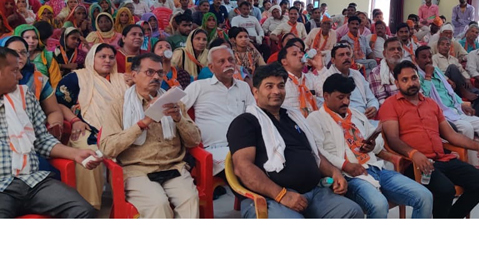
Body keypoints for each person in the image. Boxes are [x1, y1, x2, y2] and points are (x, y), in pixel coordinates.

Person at [226, 63, 364, 219]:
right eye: (269, 86)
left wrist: (334, 172)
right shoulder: (245, 122)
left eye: (280, 86)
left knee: (353, 212)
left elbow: (314, 154)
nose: (276, 91)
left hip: (314, 193)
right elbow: (243, 167)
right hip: (271, 198)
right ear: (255, 92)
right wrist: (281, 195)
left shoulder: (293, 117)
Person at [307, 73, 433, 218]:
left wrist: (372, 145)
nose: (346, 102)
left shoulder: (355, 114)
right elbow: (318, 153)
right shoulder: (315, 119)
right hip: (349, 176)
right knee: (379, 204)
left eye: (348, 97)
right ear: (326, 96)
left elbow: (378, 141)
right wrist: (345, 165)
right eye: (340, 98)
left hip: (375, 168)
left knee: (425, 196)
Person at [379, 61, 479, 218]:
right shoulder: (390, 105)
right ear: (396, 83)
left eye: (414, 78)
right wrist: (413, 154)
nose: (411, 83)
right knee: (446, 190)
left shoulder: (431, 104)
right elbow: (392, 139)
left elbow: (451, 135)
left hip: (442, 158)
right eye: (405, 80)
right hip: (415, 163)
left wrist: (477, 146)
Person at [0, 46, 99, 218]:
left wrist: (76, 154)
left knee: (83, 211)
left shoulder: (25, 97)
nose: (21, 76)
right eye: (14, 71)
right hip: (2, 187)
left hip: (32, 181)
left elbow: (41, 139)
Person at [100, 53, 201, 219]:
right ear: (134, 75)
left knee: (190, 199)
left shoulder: (174, 102)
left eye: (160, 73)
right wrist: (142, 123)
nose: (156, 77)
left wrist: (178, 118)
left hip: (172, 167)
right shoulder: (119, 106)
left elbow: (195, 140)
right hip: (137, 169)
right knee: (158, 204)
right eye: (150, 72)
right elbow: (107, 148)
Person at [414, 46, 479, 186]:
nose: (427, 60)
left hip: (454, 110)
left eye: (429, 57)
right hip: (440, 116)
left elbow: (449, 91)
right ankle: (471, 169)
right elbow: (422, 98)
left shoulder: (436, 71)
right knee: (467, 127)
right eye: (423, 57)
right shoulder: (416, 76)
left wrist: (461, 103)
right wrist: (427, 76)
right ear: (416, 59)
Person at [56, 43, 129, 209]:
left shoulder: (122, 79)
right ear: (92, 58)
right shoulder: (77, 77)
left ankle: (127, 203)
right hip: (87, 127)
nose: (108, 60)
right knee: (88, 153)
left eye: (111, 57)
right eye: (102, 56)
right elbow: (58, 103)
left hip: (120, 129)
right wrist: (74, 120)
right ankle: (89, 205)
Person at [182, 45, 255, 176]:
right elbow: (178, 109)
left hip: (245, 145)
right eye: (222, 61)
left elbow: (254, 115)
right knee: (245, 167)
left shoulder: (243, 87)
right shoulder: (199, 86)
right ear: (211, 67)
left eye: (231, 60)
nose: (228, 64)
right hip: (215, 148)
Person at [307, 43, 380, 119]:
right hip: (344, 119)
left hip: (365, 117)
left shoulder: (357, 74)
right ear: (333, 60)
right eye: (341, 55)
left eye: (348, 54)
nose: (346, 57)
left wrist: (373, 107)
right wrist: (320, 67)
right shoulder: (325, 76)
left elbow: (371, 97)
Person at [278, 41, 318, 117]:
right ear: (284, 62)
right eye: (294, 54)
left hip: (315, 123)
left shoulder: (311, 78)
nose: (300, 55)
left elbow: (328, 93)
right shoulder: (281, 83)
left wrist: (320, 67)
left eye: (301, 53)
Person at [367, 37, 403, 104]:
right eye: (392, 49)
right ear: (384, 53)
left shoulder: (408, 69)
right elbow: (381, 101)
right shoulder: (376, 73)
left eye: (399, 49)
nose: (396, 51)